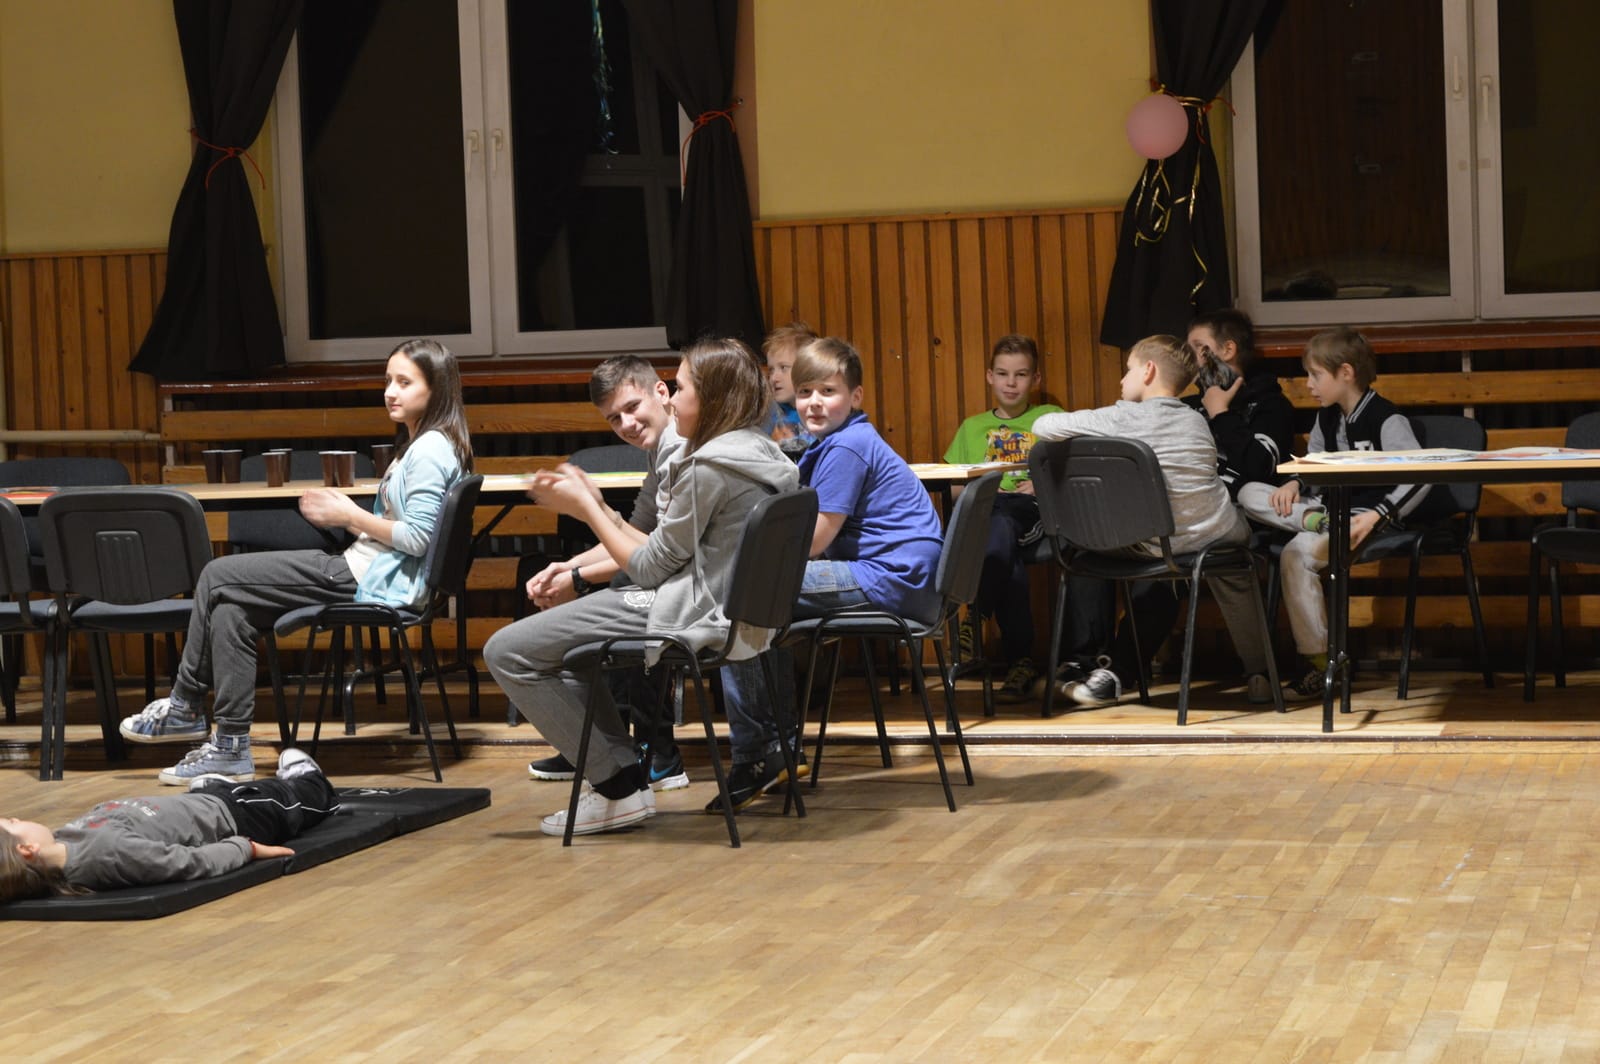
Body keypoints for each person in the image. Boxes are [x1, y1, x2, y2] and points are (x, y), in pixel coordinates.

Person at [117, 339, 474, 785]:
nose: (389, 392)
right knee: (231, 610)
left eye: (404, 382)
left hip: (367, 578)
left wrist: (349, 515)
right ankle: (229, 748)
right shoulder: (423, 443)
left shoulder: (430, 450)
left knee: (215, 574)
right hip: (366, 569)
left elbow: (418, 539)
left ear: (436, 390)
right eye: (388, 381)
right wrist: (347, 519)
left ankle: (184, 705)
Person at [484, 338, 798, 837]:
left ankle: (616, 788)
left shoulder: (707, 467)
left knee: (505, 651)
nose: (673, 400)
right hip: (715, 603)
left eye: (681, 388)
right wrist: (585, 541)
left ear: (711, 399)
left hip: (690, 610)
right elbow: (652, 541)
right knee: (572, 653)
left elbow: (650, 568)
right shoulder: (759, 451)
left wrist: (587, 509)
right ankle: (622, 776)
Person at [713, 335, 945, 815]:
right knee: (758, 598)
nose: (814, 403)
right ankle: (777, 749)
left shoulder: (847, 448)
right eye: (805, 393)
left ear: (855, 396)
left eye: (828, 391)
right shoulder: (843, 440)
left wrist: (742, 556)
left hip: (890, 578)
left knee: (738, 597)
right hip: (903, 577)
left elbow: (814, 541)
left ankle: (759, 755)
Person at [1034, 335, 1275, 708]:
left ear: (1148, 371)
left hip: (1156, 543)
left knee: (1106, 544)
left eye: (1128, 369)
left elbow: (1044, 426)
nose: (1122, 379)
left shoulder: (1120, 418)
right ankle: (1260, 674)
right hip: (1214, 534)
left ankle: (1091, 664)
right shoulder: (1197, 421)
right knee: (1235, 563)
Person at [1237, 326, 1439, 699]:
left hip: (1367, 520)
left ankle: (1323, 664)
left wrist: (1378, 515)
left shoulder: (1386, 419)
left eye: (1315, 375)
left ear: (1345, 373)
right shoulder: (1326, 417)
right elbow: (1314, 462)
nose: (1308, 384)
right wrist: (1295, 483)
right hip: (1329, 513)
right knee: (1249, 492)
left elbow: (1422, 475)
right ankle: (1319, 522)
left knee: (1295, 555)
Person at [520, 355, 690, 791]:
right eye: (614, 418)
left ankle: (644, 753)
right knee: (615, 586)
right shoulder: (659, 450)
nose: (627, 424)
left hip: (690, 596)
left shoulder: (680, 448)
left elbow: (655, 553)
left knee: (619, 589)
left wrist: (579, 579)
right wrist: (569, 566)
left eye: (632, 407)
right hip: (669, 580)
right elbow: (635, 533)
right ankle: (602, 748)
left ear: (661, 392)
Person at [0, 749, 338, 901]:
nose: (17, 817)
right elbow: (189, 863)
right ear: (27, 849)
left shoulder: (64, 839)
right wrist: (245, 848)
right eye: (13, 823)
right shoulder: (108, 854)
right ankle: (310, 780)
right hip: (237, 815)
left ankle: (215, 785)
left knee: (231, 790)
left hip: (205, 802)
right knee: (298, 799)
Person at [942, 333, 1062, 702]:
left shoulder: (1050, 418)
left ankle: (976, 616)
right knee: (1002, 541)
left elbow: (1070, 470)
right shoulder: (971, 427)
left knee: (1004, 526)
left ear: (1035, 379)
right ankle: (1020, 663)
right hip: (989, 512)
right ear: (989, 377)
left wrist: (1042, 485)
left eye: (1021, 374)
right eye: (1003, 374)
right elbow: (952, 489)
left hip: (1029, 511)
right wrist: (981, 489)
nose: (1011, 383)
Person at [1185, 308, 1296, 508]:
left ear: (1228, 350)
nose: (1189, 357)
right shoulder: (1189, 407)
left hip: (1245, 510)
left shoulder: (1271, 405)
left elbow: (1261, 468)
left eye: (1199, 347)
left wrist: (1221, 414)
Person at [765, 321, 818, 455]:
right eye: (771, 370)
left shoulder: (820, 411)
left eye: (783, 368)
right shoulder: (768, 414)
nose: (774, 378)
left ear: (807, 369)